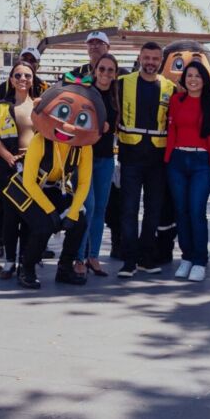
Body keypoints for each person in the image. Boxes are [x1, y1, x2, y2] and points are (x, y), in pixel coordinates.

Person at [0, 81, 108, 289]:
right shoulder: (40, 141)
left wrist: (73, 213)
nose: (69, 125)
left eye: (81, 119)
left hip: (55, 189)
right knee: (44, 225)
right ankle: (27, 268)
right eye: (64, 113)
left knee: (80, 221)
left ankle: (64, 268)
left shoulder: (83, 147)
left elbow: (84, 182)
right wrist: (50, 211)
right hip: (27, 190)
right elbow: (29, 182)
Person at [116, 41, 175, 278]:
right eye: (147, 58)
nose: (150, 62)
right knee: (128, 210)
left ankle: (146, 258)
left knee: (153, 211)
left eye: (155, 59)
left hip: (157, 160)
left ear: (161, 61)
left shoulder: (170, 87)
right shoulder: (122, 83)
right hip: (130, 157)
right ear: (140, 57)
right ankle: (129, 261)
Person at [165, 61, 210, 282]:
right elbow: (171, 128)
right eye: (189, 75)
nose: (193, 79)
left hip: (202, 162)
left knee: (196, 210)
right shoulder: (176, 100)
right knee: (181, 211)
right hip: (177, 160)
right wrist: (168, 159)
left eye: (197, 76)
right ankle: (187, 257)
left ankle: (200, 260)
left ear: (205, 79)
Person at [76, 53, 120, 277]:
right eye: (102, 69)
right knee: (88, 207)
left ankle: (93, 256)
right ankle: (78, 257)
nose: (105, 73)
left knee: (100, 209)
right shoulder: (85, 91)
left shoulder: (115, 95)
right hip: (84, 157)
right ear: (96, 70)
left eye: (110, 70)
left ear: (115, 74)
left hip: (106, 159)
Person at [0, 61, 36, 279]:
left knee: (29, 217)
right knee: (9, 218)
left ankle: (26, 260)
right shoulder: (1, 107)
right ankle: (9, 261)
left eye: (27, 75)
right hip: (8, 167)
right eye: (18, 75)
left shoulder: (39, 105)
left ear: (32, 80)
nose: (22, 79)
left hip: (32, 168)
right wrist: (7, 156)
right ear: (11, 80)